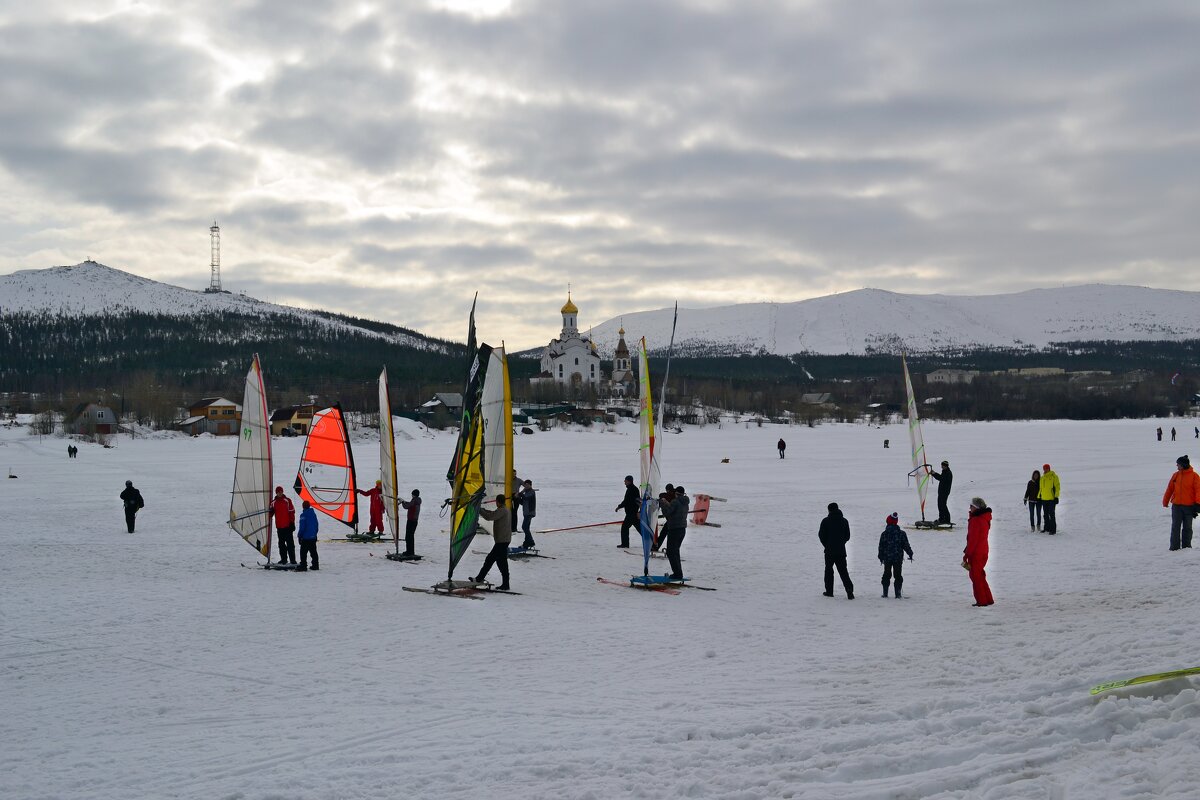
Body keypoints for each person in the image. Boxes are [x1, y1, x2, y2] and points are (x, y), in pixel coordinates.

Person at [475, 494, 512, 589]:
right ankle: (506, 584)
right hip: (503, 540)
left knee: (489, 560)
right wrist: (482, 509)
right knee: (501, 563)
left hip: (502, 541)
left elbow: (489, 517)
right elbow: (492, 513)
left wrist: (479, 509)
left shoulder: (502, 510)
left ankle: (479, 579)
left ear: (497, 501)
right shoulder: (505, 509)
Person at [1162, 455, 1199, 551]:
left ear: (1182, 465)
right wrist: (1165, 501)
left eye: (1178, 464)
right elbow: (1170, 489)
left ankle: (1186, 548)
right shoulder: (1176, 475)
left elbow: (1198, 490)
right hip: (1176, 506)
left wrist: (1197, 504)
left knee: (1187, 528)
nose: (1176, 466)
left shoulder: (1194, 476)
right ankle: (1174, 548)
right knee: (1175, 527)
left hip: (1189, 507)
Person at [818, 502, 854, 599]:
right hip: (841, 551)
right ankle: (849, 590)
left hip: (829, 551)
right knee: (843, 571)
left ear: (829, 510)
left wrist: (827, 544)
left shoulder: (825, 521)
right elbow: (847, 536)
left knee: (829, 571)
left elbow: (821, 535)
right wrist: (841, 543)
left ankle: (829, 591)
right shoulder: (844, 521)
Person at [963, 497, 994, 607]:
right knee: (980, 575)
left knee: (976, 577)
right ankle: (988, 598)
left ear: (975, 507)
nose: (969, 508)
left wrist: (967, 555)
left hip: (976, 553)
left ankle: (982, 601)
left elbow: (973, 540)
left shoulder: (976, 520)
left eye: (971, 506)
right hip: (983, 550)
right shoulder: (984, 518)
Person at [658, 485, 691, 580]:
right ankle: (678, 573)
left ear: (676, 493)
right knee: (675, 552)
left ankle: (677, 574)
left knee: (670, 552)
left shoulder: (675, 501)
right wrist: (668, 503)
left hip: (674, 529)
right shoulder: (685, 502)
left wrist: (663, 504)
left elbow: (667, 513)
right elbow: (676, 509)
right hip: (682, 529)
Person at [877, 512, 913, 598]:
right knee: (898, 575)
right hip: (898, 558)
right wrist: (910, 553)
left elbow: (881, 547)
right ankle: (898, 594)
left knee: (886, 575)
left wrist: (881, 557)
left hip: (887, 558)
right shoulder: (901, 533)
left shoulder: (884, 534)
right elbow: (906, 545)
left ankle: (885, 593)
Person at [271, 486, 297, 565]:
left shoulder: (287, 501)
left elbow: (292, 512)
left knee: (290, 544)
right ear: (276, 493)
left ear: (282, 492)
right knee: (281, 545)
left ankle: (293, 560)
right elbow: (270, 514)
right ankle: (284, 559)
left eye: (281, 491)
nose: (280, 493)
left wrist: (292, 523)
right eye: (278, 492)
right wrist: (270, 511)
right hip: (279, 527)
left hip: (288, 526)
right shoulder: (273, 502)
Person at [615, 475, 640, 548]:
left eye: (625, 481)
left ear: (629, 481)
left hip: (631, 513)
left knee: (624, 528)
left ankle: (625, 544)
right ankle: (651, 542)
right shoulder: (632, 489)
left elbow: (627, 501)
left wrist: (619, 506)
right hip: (633, 513)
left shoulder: (632, 489)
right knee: (640, 529)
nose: (624, 482)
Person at [296, 500, 319, 571]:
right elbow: (316, 525)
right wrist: (315, 534)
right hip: (313, 536)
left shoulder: (303, 515)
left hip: (306, 538)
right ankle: (315, 565)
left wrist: (299, 536)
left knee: (303, 552)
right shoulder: (313, 514)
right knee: (313, 552)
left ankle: (303, 565)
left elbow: (302, 528)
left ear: (303, 507)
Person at [1039, 464, 1061, 534]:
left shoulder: (1054, 476)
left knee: (1051, 514)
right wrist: (1039, 496)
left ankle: (1053, 530)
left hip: (1051, 499)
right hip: (1044, 499)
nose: (1045, 470)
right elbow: (1041, 488)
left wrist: (1056, 497)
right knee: (1045, 514)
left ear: (1049, 468)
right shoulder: (1042, 478)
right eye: (1044, 468)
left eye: (1047, 468)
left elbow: (1057, 487)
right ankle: (1047, 528)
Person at [929, 460, 953, 525]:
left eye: (943, 465)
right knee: (940, 505)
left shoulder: (948, 473)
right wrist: (934, 474)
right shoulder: (945, 471)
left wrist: (934, 474)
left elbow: (941, 479)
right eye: (941, 465)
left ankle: (946, 519)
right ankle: (941, 518)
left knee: (943, 505)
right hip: (942, 491)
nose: (941, 467)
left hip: (944, 492)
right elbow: (941, 478)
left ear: (946, 466)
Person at [399, 489, 421, 556]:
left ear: (413, 494)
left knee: (408, 537)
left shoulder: (414, 500)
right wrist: (404, 501)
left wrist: (402, 502)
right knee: (410, 537)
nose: (411, 495)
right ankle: (410, 551)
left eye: (412, 494)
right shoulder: (417, 500)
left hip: (411, 521)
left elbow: (407, 506)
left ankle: (409, 552)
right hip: (414, 521)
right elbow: (410, 504)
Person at [516, 479, 536, 548]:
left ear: (530, 485)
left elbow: (526, 498)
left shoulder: (532, 492)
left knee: (524, 527)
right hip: (526, 512)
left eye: (527, 485)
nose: (526, 486)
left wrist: (521, 493)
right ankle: (526, 543)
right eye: (525, 485)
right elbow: (523, 502)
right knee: (526, 528)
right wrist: (518, 498)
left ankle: (531, 542)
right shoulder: (526, 493)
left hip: (530, 512)